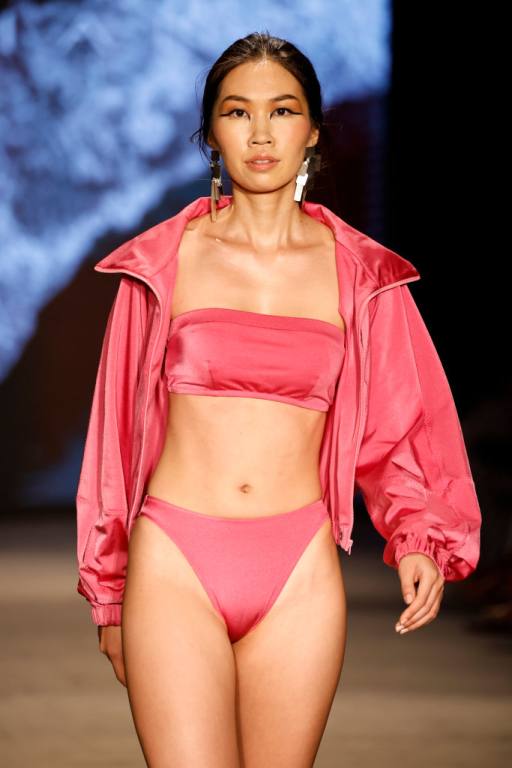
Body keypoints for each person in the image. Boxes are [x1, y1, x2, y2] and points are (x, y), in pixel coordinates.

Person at [75, 31, 482, 768]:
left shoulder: (362, 275)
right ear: (211, 134)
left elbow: (403, 422)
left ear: (313, 130)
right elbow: (114, 444)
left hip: (297, 566)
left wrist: (419, 535)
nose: (261, 134)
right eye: (237, 112)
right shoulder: (160, 265)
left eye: (283, 110)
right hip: (174, 557)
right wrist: (109, 592)